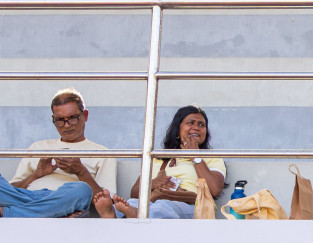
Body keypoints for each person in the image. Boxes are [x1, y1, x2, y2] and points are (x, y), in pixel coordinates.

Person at [0, 90, 116, 219]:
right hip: (28, 196)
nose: (66, 126)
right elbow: (12, 191)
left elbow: (108, 203)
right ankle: (56, 213)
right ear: (53, 119)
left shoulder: (103, 154)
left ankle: (8, 213)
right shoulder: (37, 147)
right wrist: (36, 175)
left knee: (82, 189)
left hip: (67, 198)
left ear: (85, 115)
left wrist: (81, 172)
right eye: (60, 120)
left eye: (72, 118)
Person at [95, 105, 224, 219]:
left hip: (191, 207)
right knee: (133, 203)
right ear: (177, 129)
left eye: (201, 125)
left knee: (163, 207)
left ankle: (134, 214)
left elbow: (214, 190)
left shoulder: (211, 157)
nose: (196, 128)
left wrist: (195, 156)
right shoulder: (158, 158)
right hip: (155, 202)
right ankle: (112, 214)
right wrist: (154, 183)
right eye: (190, 123)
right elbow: (134, 193)